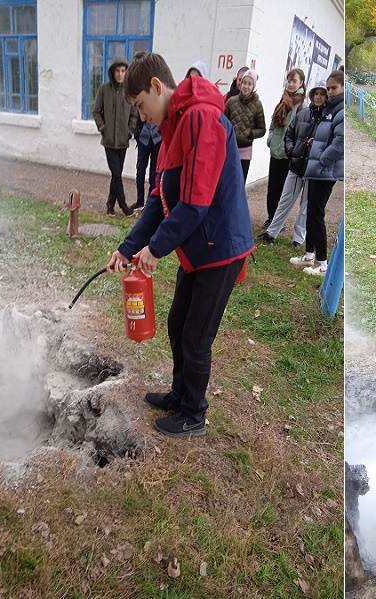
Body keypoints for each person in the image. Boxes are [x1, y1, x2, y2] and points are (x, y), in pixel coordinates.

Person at [106, 51, 254, 438]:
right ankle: (179, 393)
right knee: (177, 323)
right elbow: (159, 199)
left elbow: (196, 202)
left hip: (219, 247)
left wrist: (155, 249)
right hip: (197, 248)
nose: (142, 116)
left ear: (157, 87)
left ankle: (194, 414)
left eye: (141, 105)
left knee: (196, 335)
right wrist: (127, 247)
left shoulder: (201, 118)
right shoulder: (173, 126)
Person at [258, 84, 327, 246]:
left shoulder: (328, 118)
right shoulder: (303, 114)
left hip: (313, 168)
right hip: (296, 165)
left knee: (306, 205)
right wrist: (292, 151)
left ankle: (298, 238)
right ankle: (271, 233)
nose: (318, 97)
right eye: (316, 94)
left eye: (322, 94)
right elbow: (290, 134)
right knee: (284, 199)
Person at [289, 71, 344, 276]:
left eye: (333, 88)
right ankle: (309, 254)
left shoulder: (341, 111)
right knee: (311, 211)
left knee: (316, 213)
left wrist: (321, 158)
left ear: (343, 88)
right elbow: (326, 136)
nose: (329, 92)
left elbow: (339, 144)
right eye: (327, 88)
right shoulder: (329, 108)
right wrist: (315, 144)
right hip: (316, 168)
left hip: (325, 170)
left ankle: (322, 263)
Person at [93, 56, 138, 217]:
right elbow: (96, 112)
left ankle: (110, 204)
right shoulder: (104, 89)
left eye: (123, 71)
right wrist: (103, 128)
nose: (120, 74)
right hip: (109, 141)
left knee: (115, 174)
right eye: (117, 71)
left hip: (123, 141)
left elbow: (134, 113)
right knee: (117, 173)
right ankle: (124, 205)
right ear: (112, 72)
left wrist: (129, 131)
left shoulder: (129, 91)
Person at [262, 68, 307, 230]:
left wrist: (293, 149)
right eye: (289, 80)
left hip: (289, 154)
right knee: (272, 187)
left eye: (294, 81)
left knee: (283, 191)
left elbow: (303, 131)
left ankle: (278, 223)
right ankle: (270, 218)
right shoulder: (282, 102)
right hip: (276, 152)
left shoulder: (303, 105)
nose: (291, 84)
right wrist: (270, 140)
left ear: (301, 83)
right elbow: (273, 125)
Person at [223, 69, 266, 183]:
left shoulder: (257, 105)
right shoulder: (231, 101)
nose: (246, 86)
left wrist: (250, 134)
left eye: (249, 84)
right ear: (240, 84)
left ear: (253, 86)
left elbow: (262, 129)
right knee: (226, 182)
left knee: (239, 183)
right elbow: (222, 123)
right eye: (244, 82)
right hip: (229, 148)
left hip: (245, 151)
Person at [133, 120, 161, 210]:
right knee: (140, 170)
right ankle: (139, 201)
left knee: (154, 173)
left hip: (157, 139)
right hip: (143, 138)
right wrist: (136, 132)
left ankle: (150, 202)